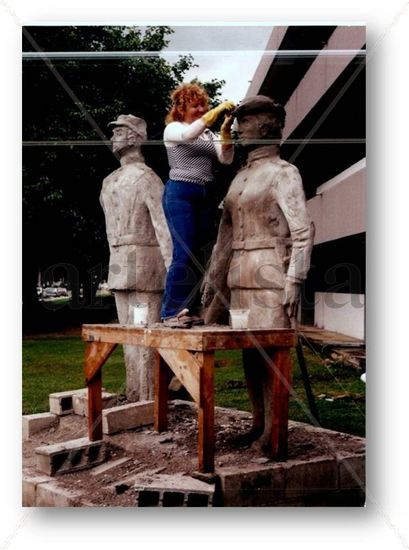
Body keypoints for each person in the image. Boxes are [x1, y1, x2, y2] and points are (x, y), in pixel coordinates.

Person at [202, 96, 315, 455]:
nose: (237, 128)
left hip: (271, 274)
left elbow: (302, 231)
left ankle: (275, 431)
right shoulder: (239, 178)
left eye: (245, 122)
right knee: (250, 355)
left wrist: (295, 279)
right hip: (239, 277)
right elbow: (224, 235)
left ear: (266, 127)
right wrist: (212, 277)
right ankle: (257, 423)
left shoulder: (283, 172)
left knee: (273, 356)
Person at [100, 114, 172, 401]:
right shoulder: (109, 181)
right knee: (129, 336)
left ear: (133, 137)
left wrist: (173, 271)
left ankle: (150, 398)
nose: (112, 137)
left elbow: (163, 228)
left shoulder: (148, 178)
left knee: (146, 335)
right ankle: (134, 393)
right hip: (118, 262)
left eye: (118, 132)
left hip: (146, 265)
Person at [160, 83, 235, 328]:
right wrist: (213, 115)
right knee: (183, 251)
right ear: (181, 108)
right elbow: (188, 135)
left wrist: (225, 131)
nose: (201, 109)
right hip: (180, 191)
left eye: (204, 105)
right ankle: (170, 311)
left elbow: (226, 159)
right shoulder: (173, 128)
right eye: (196, 105)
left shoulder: (208, 135)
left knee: (199, 256)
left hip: (205, 194)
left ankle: (187, 309)